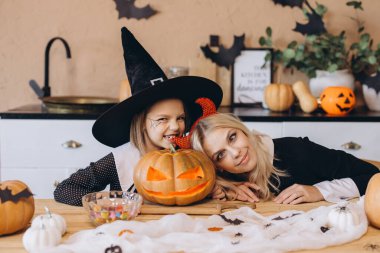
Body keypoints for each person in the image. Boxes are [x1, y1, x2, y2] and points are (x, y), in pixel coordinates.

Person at [53, 27, 223, 206]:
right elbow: (65, 189)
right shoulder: (120, 159)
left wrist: (214, 189)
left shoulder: (191, 154)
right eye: (162, 119)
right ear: (141, 123)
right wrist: (113, 200)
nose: (175, 127)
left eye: (180, 118)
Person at [181, 111, 379, 205]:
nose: (235, 153)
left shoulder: (298, 151)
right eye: (220, 155)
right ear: (218, 167)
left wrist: (319, 190)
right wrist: (222, 188)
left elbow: (373, 176)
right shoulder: (226, 180)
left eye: (233, 137)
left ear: (243, 130)